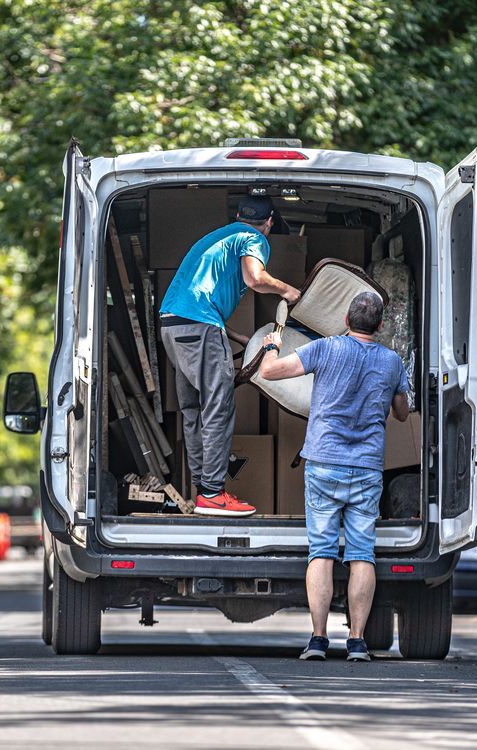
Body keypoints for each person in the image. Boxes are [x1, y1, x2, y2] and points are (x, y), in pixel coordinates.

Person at [259, 291, 408, 660]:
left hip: (324, 463)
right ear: (380, 325)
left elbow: (269, 372)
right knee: (362, 554)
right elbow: (403, 413)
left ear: (345, 320)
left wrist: (271, 345)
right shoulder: (392, 361)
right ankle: (357, 641)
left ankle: (318, 639)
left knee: (322, 551)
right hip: (367, 468)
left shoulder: (326, 348)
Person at [159, 196, 301, 517]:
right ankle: (212, 493)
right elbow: (254, 278)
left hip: (173, 324)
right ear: (269, 223)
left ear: (237, 215)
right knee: (219, 406)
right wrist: (287, 291)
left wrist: (241, 338)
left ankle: (202, 489)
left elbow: (201, 309)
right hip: (201, 324)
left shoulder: (217, 237)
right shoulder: (253, 238)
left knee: (194, 408)